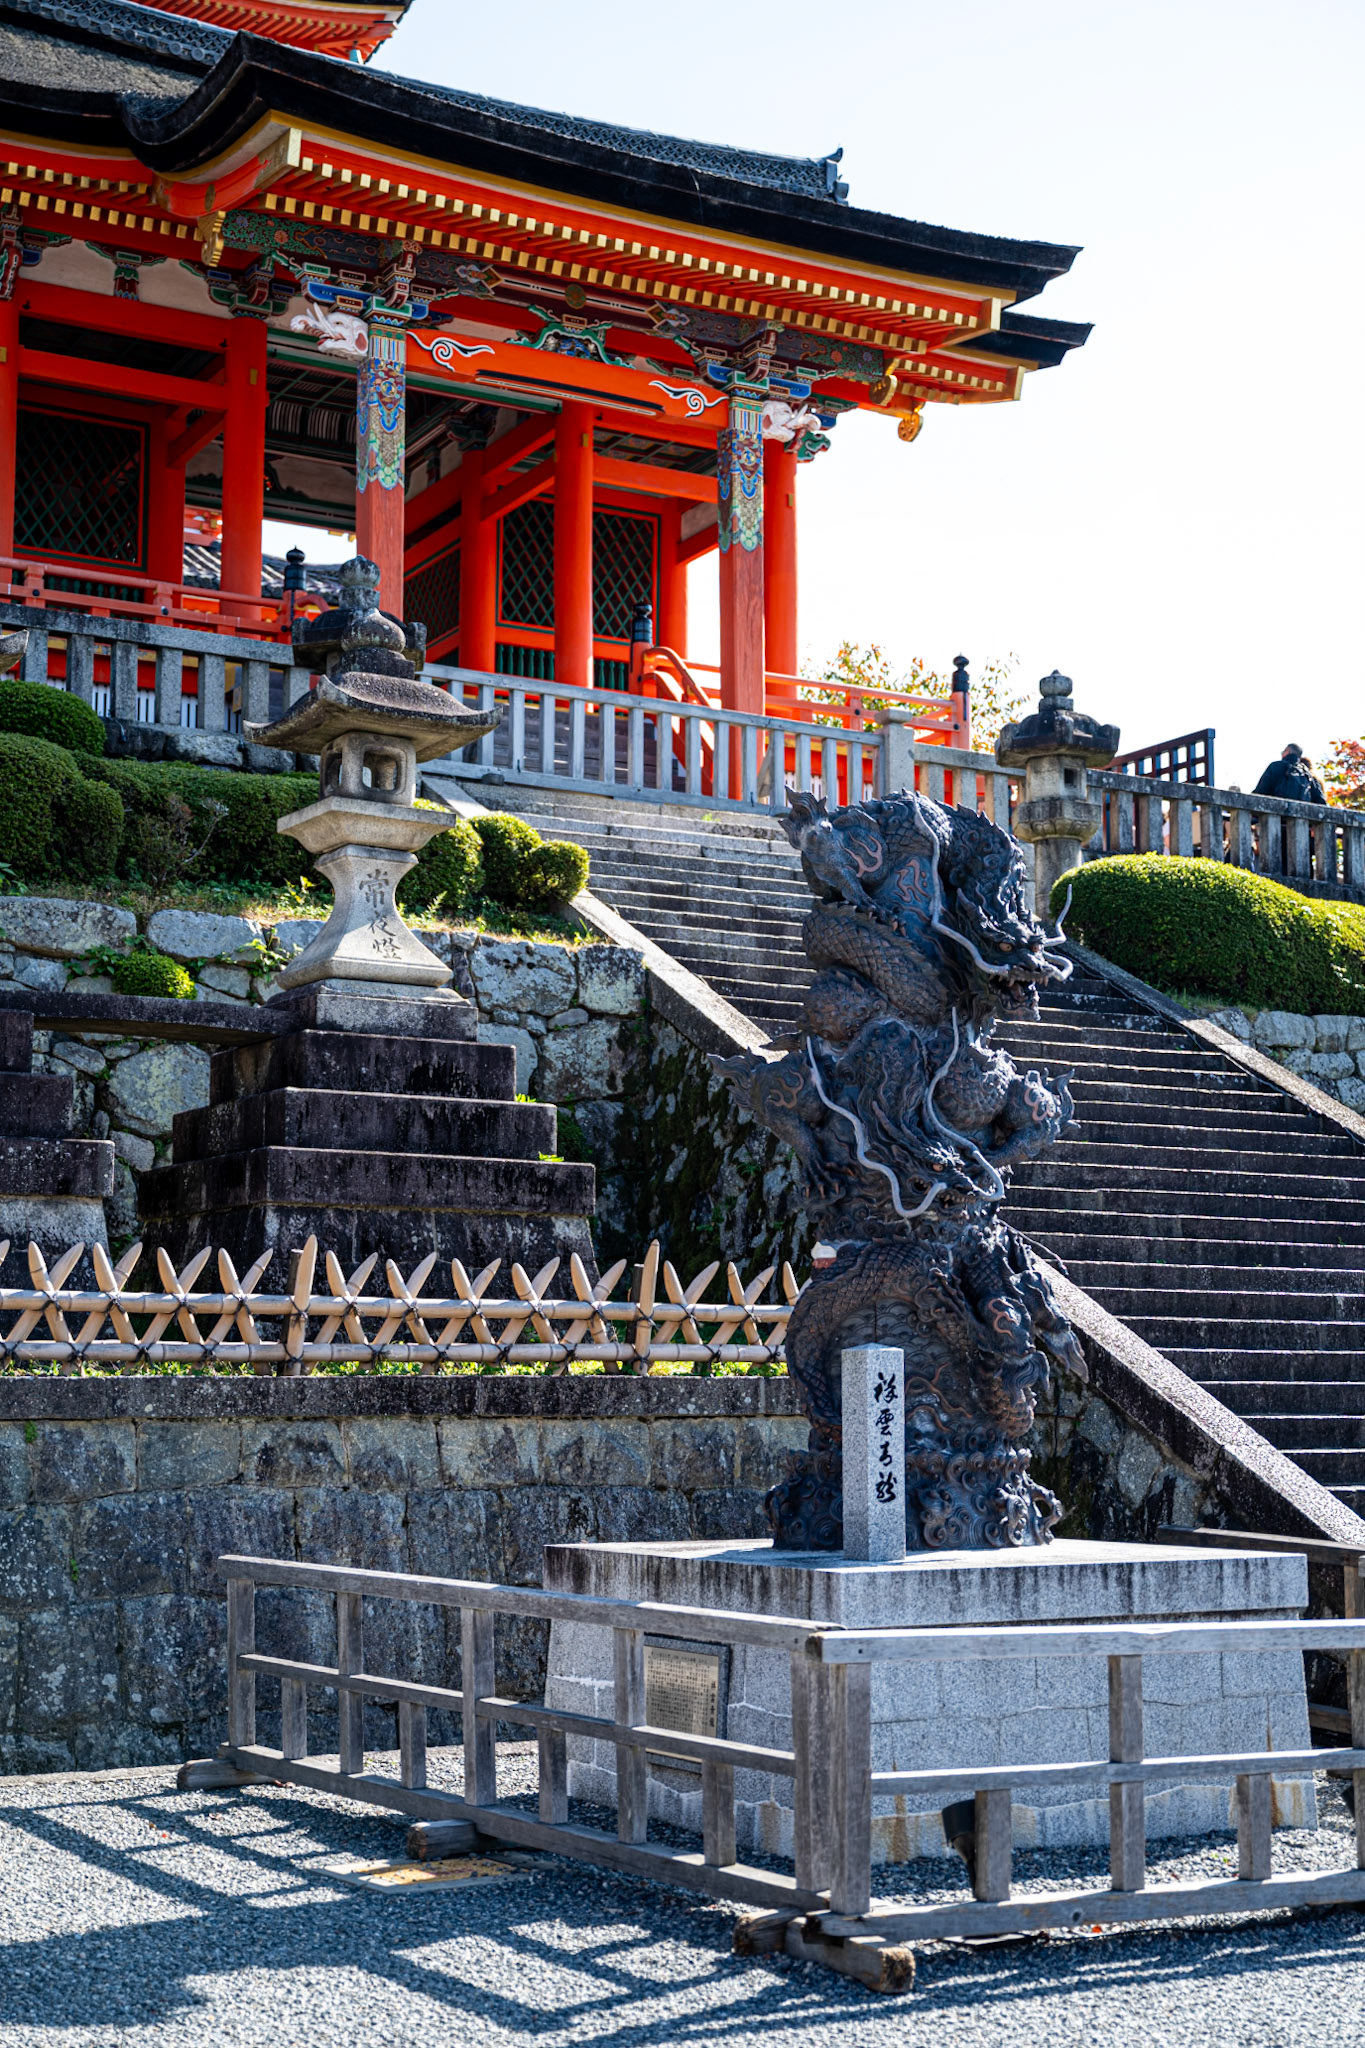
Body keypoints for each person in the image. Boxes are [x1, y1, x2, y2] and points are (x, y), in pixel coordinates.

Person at [1254, 744, 1326, 805]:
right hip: (1301, 819)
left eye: (1283, 752)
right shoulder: (1308, 774)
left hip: (1275, 816)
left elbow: (1261, 790)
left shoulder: (1275, 766)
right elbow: (1320, 801)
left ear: (1287, 751)